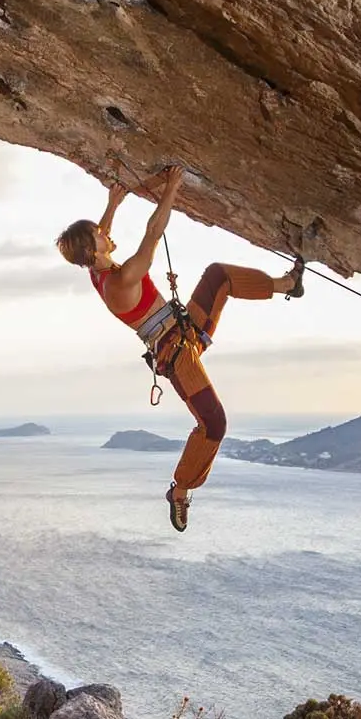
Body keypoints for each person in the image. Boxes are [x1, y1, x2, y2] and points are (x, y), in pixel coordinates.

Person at [55, 166, 305, 532]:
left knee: (219, 275)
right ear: (93, 250)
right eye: (100, 235)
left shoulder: (95, 268)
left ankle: (288, 284)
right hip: (177, 354)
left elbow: (99, 233)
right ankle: (181, 489)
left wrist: (112, 202)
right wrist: (172, 187)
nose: (106, 233)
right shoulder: (120, 281)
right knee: (214, 423)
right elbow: (153, 234)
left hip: (186, 328)